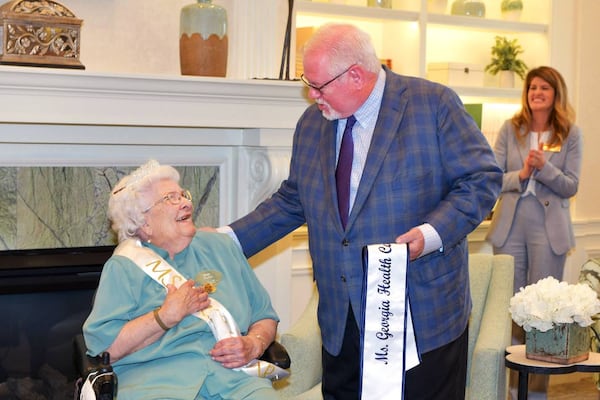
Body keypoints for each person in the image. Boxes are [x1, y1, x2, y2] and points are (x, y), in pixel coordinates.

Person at [217, 23, 502, 399]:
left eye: (318, 86)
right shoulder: (312, 125)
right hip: (342, 319)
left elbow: (481, 179)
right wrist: (223, 242)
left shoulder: (432, 105)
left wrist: (429, 235)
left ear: (356, 75)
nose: (312, 95)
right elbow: (292, 201)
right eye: (308, 83)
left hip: (421, 315)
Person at [83, 160, 281, 400]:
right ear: (144, 223)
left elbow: (264, 315)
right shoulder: (124, 267)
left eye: (183, 195)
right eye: (170, 199)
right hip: (157, 386)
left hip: (234, 380)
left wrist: (254, 343)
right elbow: (105, 349)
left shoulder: (222, 248)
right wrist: (164, 316)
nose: (187, 203)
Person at [486, 66, 583, 399]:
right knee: (510, 309)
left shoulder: (570, 133)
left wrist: (546, 170)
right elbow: (493, 178)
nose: (537, 92)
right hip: (511, 224)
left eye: (544, 87)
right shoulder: (510, 129)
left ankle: (536, 394)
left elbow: (571, 185)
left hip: (548, 228)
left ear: (556, 93)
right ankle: (509, 390)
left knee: (543, 314)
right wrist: (524, 172)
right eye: (532, 87)